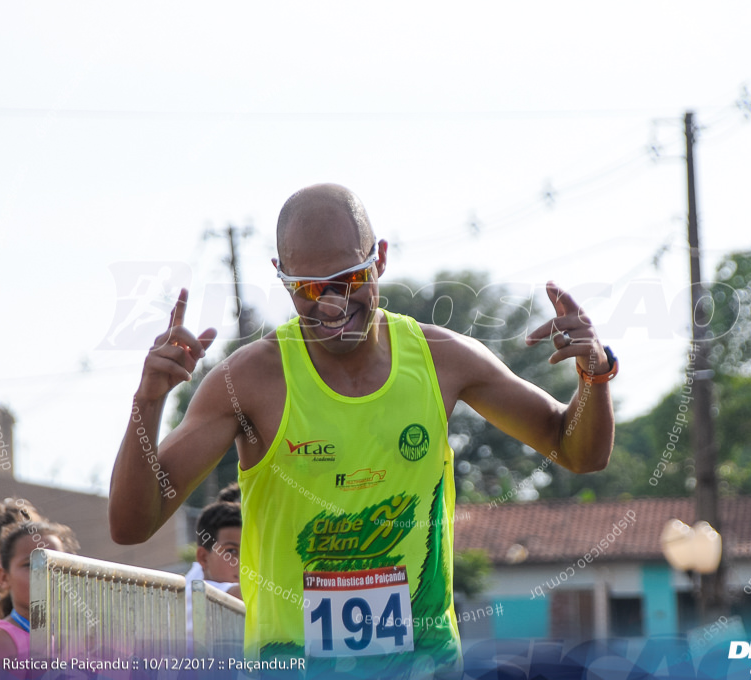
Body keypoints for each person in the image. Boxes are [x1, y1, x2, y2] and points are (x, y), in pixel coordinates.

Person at [109, 184, 616, 674]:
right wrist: (148, 402)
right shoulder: (249, 380)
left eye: (348, 280)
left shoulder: (443, 360)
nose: (330, 304)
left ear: (380, 260)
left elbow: (577, 451)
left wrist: (594, 375)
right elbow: (132, 525)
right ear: (281, 276)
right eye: (308, 289)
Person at [0, 520, 80, 668]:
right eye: (30, 565)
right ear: (4, 577)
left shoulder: (66, 643)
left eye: (54, 566)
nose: (44, 574)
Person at [185, 500, 243, 652]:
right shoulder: (192, 593)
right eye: (231, 551)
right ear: (204, 557)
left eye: (250, 551)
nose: (244, 563)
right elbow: (249, 595)